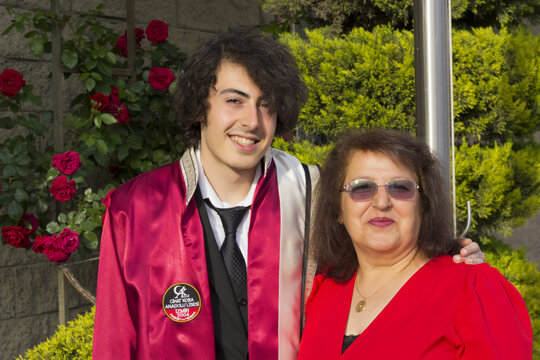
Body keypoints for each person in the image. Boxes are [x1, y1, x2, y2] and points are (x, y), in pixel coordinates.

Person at [92, 28, 484, 360]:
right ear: (200, 107)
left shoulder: (314, 192)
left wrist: (451, 260)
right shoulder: (135, 209)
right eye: (234, 100)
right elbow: (114, 340)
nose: (251, 121)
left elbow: (388, 259)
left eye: (267, 105)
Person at [298, 129, 532, 359]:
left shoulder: (471, 288)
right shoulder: (324, 290)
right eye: (361, 188)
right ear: (338, 209)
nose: (381, 202)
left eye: (400, 188)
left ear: (423, 205)